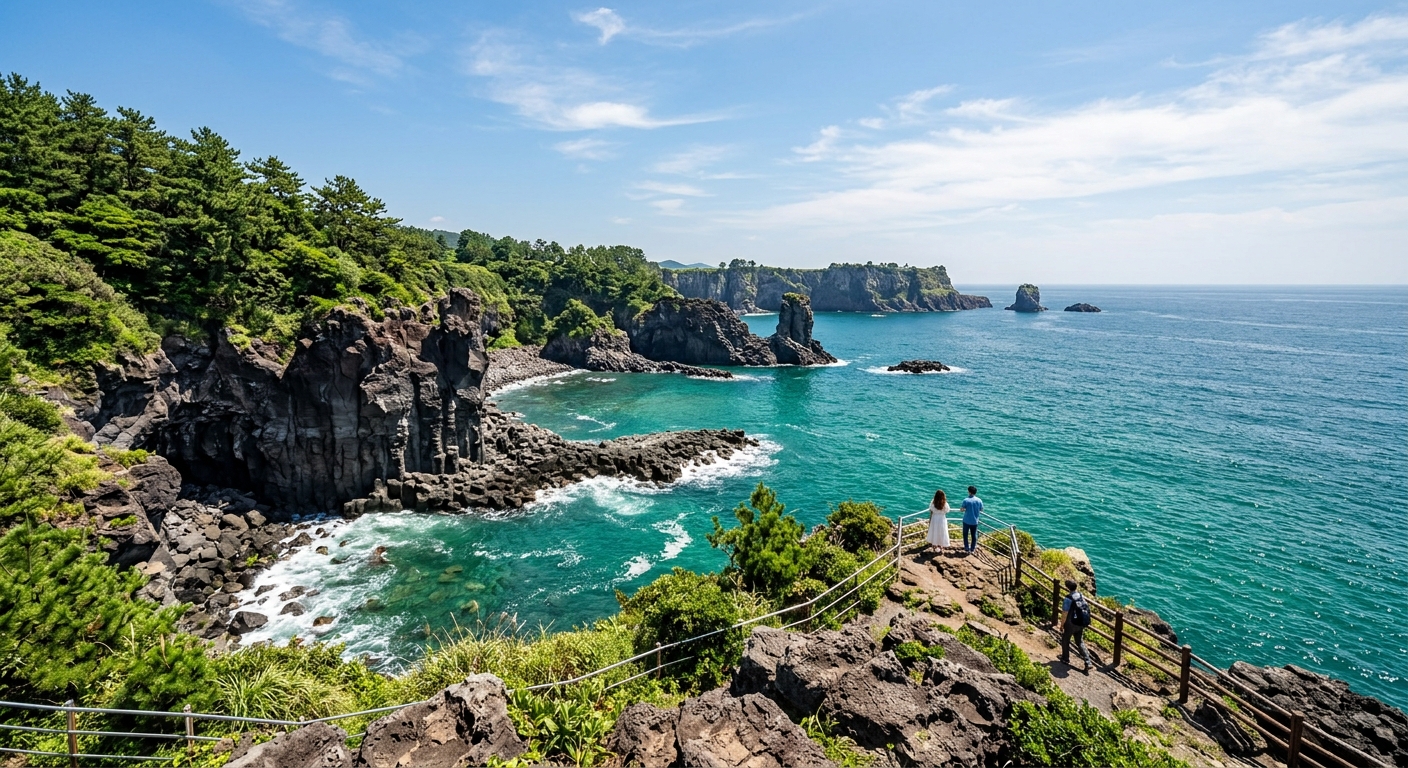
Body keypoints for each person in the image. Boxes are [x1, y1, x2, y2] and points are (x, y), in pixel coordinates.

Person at [1060, 578, 1093, 673]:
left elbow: (1065, 613)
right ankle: (1088, 662)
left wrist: (1062, 625)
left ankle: (1065, 659)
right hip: (1081, 623)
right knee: (1079, 642)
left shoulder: (1068, 598)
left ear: (1067, 588)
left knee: (1065, 639)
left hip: (1071, 623)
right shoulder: (1081, 595)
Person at [960, 486, 983, 553]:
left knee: (965, 534)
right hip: (975, 521)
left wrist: (964, 509)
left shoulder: (966, 500)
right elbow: (981, 509)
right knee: (974, 535)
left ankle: (966, 548)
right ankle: (972, 549)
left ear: (969, 492)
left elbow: (962, 509)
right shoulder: (979, 500)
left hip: (966, 520)